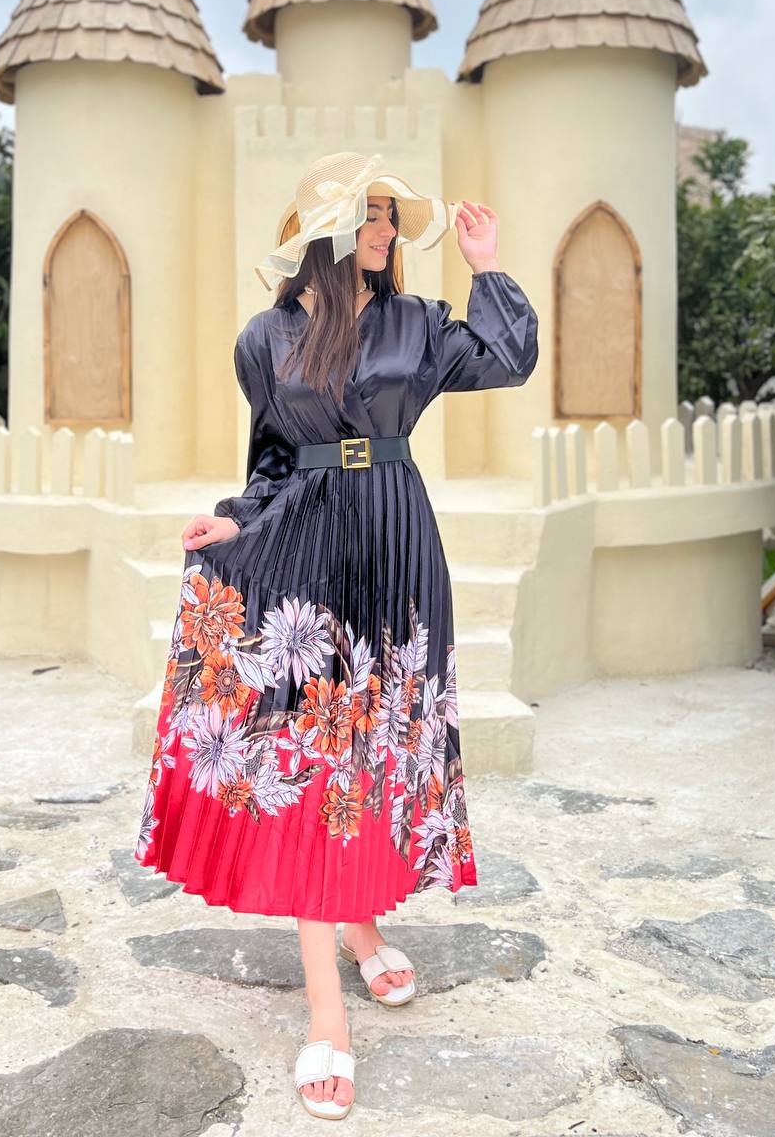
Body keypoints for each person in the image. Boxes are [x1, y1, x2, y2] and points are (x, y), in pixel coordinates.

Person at [134, 151, 539, 1120]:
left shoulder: (418, 322)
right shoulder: (264, 338)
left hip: (396, 543)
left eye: (393, 217)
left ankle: (361, 929)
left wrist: (486, 264)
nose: (387, 232)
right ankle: (328, 1014)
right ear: (326, 231)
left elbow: (509, 357)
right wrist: (234, 521)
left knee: (378, 749)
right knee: (319, 760)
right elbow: (273, 458)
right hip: (304, 545)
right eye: (371, 216)